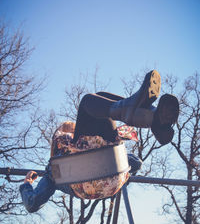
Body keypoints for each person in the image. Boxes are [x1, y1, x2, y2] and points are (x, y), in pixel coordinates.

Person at [19, 70, 179, 213]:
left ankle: (150, 115)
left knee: (100, 99)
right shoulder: (60, 163)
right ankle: (147, 115)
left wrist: (27, 184)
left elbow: (32, 204)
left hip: (92, 186)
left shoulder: (53, 172)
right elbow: (137, 163)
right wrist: (126, 173)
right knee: (88, 102)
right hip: (112, 178)